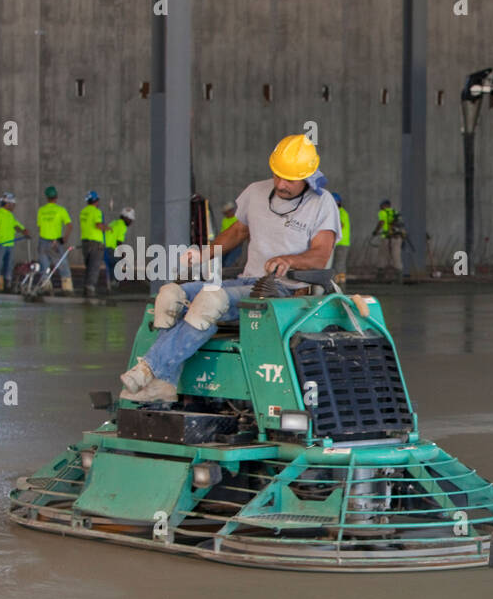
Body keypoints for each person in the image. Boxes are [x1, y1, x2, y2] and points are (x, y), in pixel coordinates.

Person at [118, 133, 340, 403]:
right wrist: (204, 253)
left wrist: (289, 260)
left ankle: (150, 369)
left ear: (307, 176)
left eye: (290, 180)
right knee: (170, 295)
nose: (281, 184)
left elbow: (320, 255)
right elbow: (237, 232)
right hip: (247, 283)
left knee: (210, 301)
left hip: (284, 291)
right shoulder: (256, 192)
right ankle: (165, 384)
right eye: (277, 176)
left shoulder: (322, 203)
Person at [0, 192, 27, 292]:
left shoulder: (10, 215)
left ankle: (7, 284)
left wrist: (24, 231)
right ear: (7, 204)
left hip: (9, 245)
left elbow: (16, 225)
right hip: (0, 245)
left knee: (9, 265)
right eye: (13, 204)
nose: (14, 206)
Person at [36, 186, 74, 294]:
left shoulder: (41, 210)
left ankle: (45, 287)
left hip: (42, 242)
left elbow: (39, 226)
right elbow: (69, 225)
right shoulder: (60, 210)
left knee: (44, 266)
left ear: (47, 197)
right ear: (56, 197)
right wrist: (65, 238)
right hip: (55, 243)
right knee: (62, 265)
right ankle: (67, 288)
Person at [79, 190, 107, 298]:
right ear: (96, 200)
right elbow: (98, 225)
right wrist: (107, 228)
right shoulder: (96, 211)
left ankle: (86, 288)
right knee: (94, 266)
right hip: (96, 242)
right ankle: (90, 289)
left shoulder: (83, 211)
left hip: (85, 242)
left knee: (88, 266)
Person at [104, 207, 136, 291]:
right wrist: (122, 254)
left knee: (112, 264)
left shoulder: (115, 222)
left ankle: (112, 281)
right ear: (125, 218)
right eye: (130, 219)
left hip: (104, 246)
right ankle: (114, 282)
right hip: (110, 247)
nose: (131, 222)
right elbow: (119, 242)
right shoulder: (122, 226)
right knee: (116, 263)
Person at [373, 199, 405, 280]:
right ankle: (399, 276)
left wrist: (375, 231)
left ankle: (380, 275)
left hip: (386, 237)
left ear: (384, 205)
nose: (380, 207)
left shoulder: (382, 212)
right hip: (397, 237)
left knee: (383, 255)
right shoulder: (395, 212)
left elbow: (381, 222)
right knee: (396, 255)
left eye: (381, 205)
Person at [218, 201, 245, 271]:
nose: (225, 214)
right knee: (221, 262)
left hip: (235, 245)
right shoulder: (224, 220)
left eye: (226, 212)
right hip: (226, 244)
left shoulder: (238, 219)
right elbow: (223, 233)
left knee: (229, 263)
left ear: (232, 210)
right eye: (224, 213)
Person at [332, 192, 350, 287]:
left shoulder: (340, 212)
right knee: (338, 262)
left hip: (341, 243)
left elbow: (341, 225)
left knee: (339, 263)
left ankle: (340, 283)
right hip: (339, 242)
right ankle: (339, 282)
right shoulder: (339, 211)